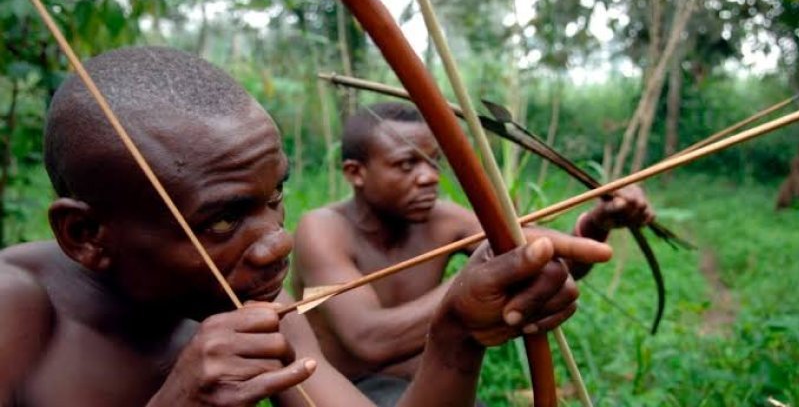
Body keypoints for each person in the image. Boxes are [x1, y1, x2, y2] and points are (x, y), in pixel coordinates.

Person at [0, 47, 614, 407]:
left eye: (276, 197)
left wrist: (455, 334)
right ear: (87, 236)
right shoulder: (16, 312)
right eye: (222, 218)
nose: (277, 240)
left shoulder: (258, 309)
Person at [292, 102, 655, 407]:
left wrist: (599, 221)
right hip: (348, 393)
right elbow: (370, 340)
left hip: (434, 385)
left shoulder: (442, 220)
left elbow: (546, 259)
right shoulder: (322, 230)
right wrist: (467, 289)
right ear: (356, 173)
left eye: (433, 162)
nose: (429, 177)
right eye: (407, 164)